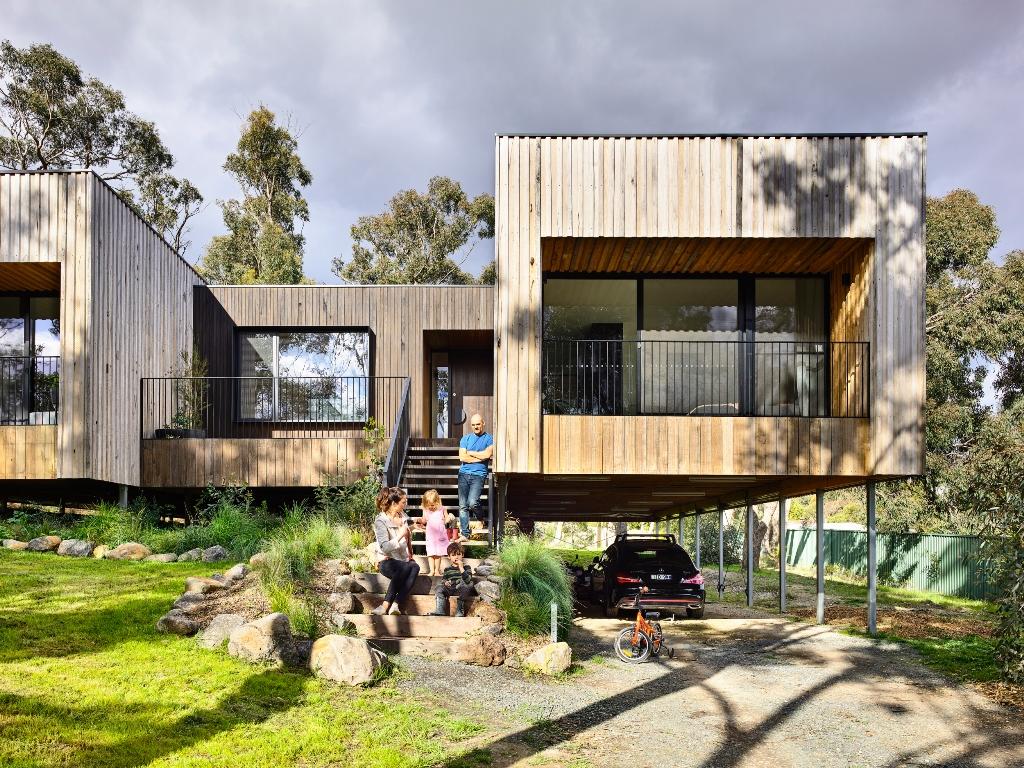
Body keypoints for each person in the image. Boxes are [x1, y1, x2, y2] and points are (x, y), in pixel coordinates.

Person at [371, 486, 420, 615]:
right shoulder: (381, 521)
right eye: (403, 502)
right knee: (404, 568)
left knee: (415, 567)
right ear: (394, 503)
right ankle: (385, 605)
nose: (405, 504)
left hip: (402, 560)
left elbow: (405, 532)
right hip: (386, 561)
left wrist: (414, 526)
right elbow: (385, 547)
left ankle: (396, 605)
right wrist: (400, 535)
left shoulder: (401, 515)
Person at [457, 413, 494, 541]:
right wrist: (479, 456)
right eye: (473, 425)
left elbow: (487, 454)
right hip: (463, 474)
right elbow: (462, 457)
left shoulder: (489, 438)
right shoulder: (465, 439)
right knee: (463, 506)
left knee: (472, 503)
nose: (475, 427)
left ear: (483, 423)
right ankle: (465, 534)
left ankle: (480, 517)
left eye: (478, 424)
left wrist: (471, 453)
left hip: (479, 475)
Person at [429, 541, 475, 617]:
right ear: (449, 557)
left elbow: (468, 580)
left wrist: (461, 567)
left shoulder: (466, 567)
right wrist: (445, 582)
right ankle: (440, 610)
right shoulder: (447, 569)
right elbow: (444, 579)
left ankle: (459, 609)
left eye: (458, 554)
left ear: (462, 555)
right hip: (450, 588)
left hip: (461, 589)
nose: (456, 557)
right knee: (439, 587)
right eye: (453, 555)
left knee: (469, 584)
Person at [420, 488, 450, 577]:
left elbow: (447, 517)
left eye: (433, 505)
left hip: (440, 533)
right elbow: (424, 520)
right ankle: (431, 570)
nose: (431, 507)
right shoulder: (425, 510)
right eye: (429, 505)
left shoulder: (442, 509)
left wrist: (446, 520)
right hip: (430, 534)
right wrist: (420, 521)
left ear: (437, 502)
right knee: (430, 552)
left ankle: (437, 570)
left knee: (438, 553)